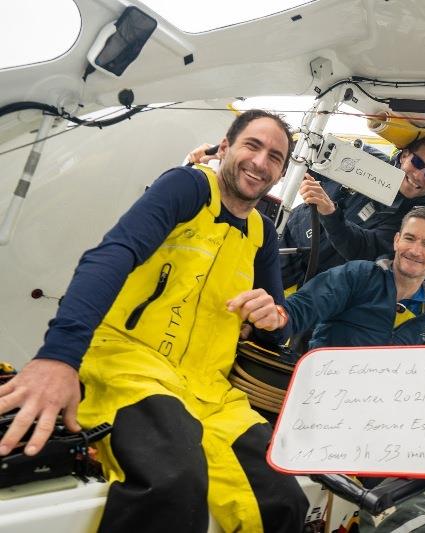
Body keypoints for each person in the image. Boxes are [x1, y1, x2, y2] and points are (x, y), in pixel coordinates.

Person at [0, 110, 308, 532]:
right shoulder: (187, 187)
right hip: (131, 367)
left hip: (209, 393)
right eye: (252, 145)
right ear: (226, 146)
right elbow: (113, 254)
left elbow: (278, 327)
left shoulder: (262, 234)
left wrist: (272, 319)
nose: (260, 161)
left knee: (286, 498)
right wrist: (59, 357)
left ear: (281, 171)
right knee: (173, 483)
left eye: (275, 156)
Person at [248, 206, 425, 533]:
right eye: (410, 238)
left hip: (380, 430)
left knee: (419, 500)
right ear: (396, 241)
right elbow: (302, 308)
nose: (416, 249)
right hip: (321, 410)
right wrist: (278, 318)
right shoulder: (357, 276)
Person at [190, 135, 425, 293]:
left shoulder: (413, 221)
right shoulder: (359, 161)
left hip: (318, 283)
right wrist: (223, 152)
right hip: (281, 246)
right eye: (417, 163)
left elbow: (363, 248)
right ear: (404, 156)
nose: (419, 175)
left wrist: (330, 212)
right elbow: (299, 152)